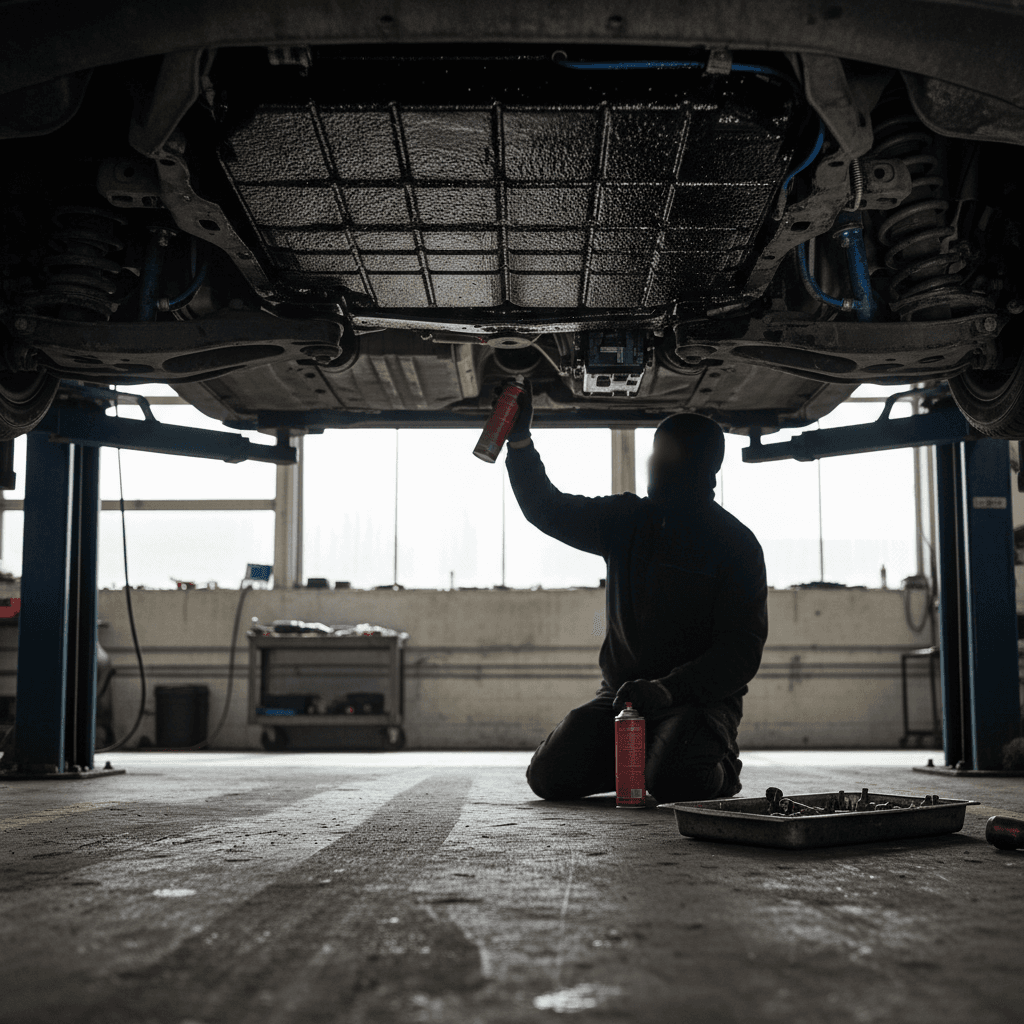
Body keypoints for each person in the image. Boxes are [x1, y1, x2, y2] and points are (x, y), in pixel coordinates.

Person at [499, 378, 768, 804]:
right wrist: (519, 441)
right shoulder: (627, 521)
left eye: (669, 453)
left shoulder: (735, 545)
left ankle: (720, 766)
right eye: (655, 451)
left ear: (704, 465)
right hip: (621, 702)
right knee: (548, 777)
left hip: (697, 704)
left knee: (674, 781)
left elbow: (740, 652)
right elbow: (545, 507)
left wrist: (669, 689)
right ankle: (649, 759)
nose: (656, 462)